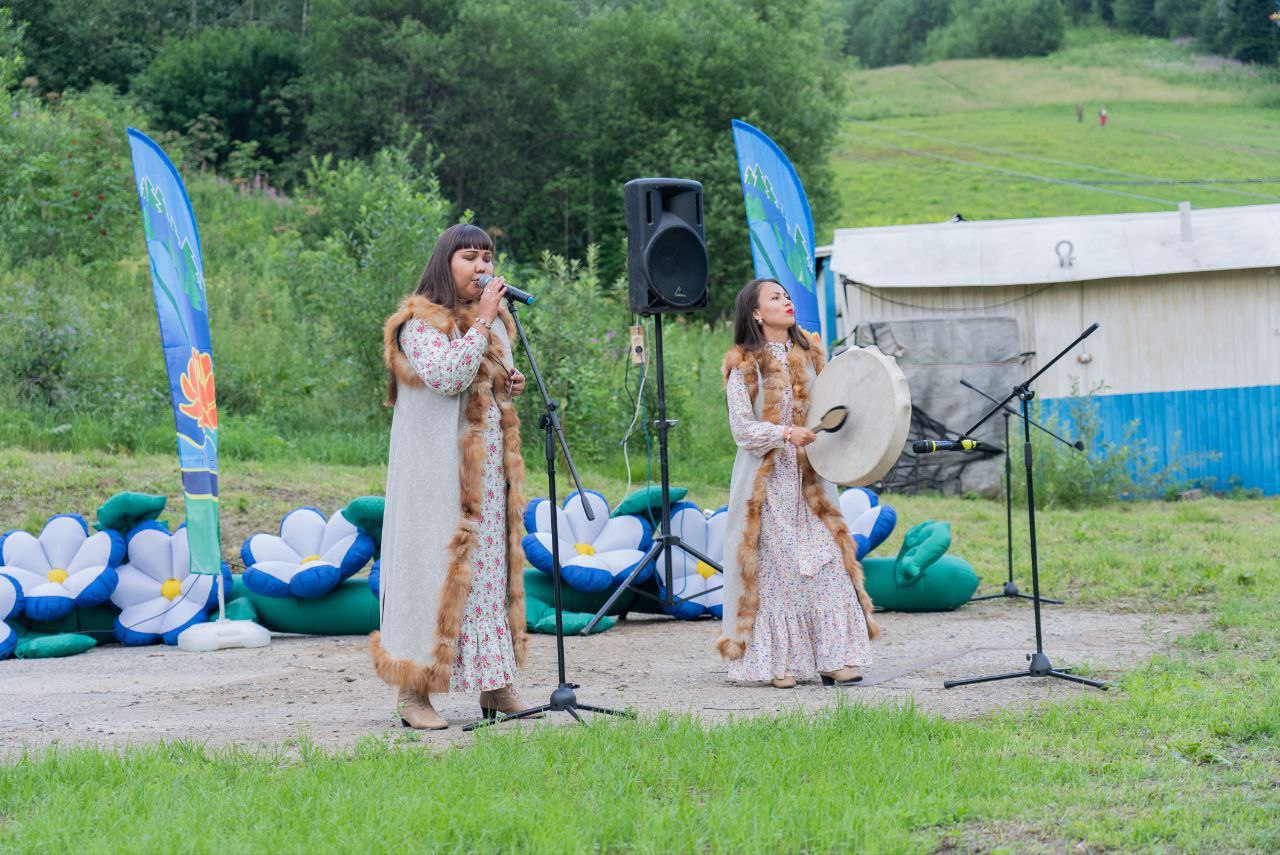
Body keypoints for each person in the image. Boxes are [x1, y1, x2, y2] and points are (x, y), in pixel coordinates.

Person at [370, 223, 536, 729]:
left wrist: (509, 382)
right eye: (470, 257)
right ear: (446, 264)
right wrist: (483, 321)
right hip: (435, 478)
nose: (482, 267)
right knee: (431, 574)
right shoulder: (418, 324)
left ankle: (495, 685)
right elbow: (447, 377)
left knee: (487, 579)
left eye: (487, 257)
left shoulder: (493, 324)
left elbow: (482, 385)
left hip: (485, 479)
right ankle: (413, 693)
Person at [716, 278, 880, 689]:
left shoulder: (811, 356)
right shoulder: (744, 365)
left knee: (827, 561)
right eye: (775, 298)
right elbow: (742, 430)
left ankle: (834, 658)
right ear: (756, 313)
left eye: (787, 296)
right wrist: (786, 434)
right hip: (766, 485)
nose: (786, 302)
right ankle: (778, 664)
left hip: (811, 481)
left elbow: (837, 408)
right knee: (778, 570)